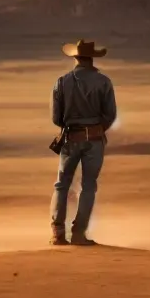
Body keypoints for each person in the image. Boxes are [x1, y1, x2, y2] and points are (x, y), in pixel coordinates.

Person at [50, 38, 116, 246]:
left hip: (70, 139)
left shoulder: (62, 82)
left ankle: (58, 233)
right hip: (94, 140)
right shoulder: (103, 82)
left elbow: (56, 118)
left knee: (62, 185)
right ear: (92, 58)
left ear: (76, 58)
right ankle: (79, 233)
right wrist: (96, 129)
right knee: (88, 186)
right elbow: (110, 115)